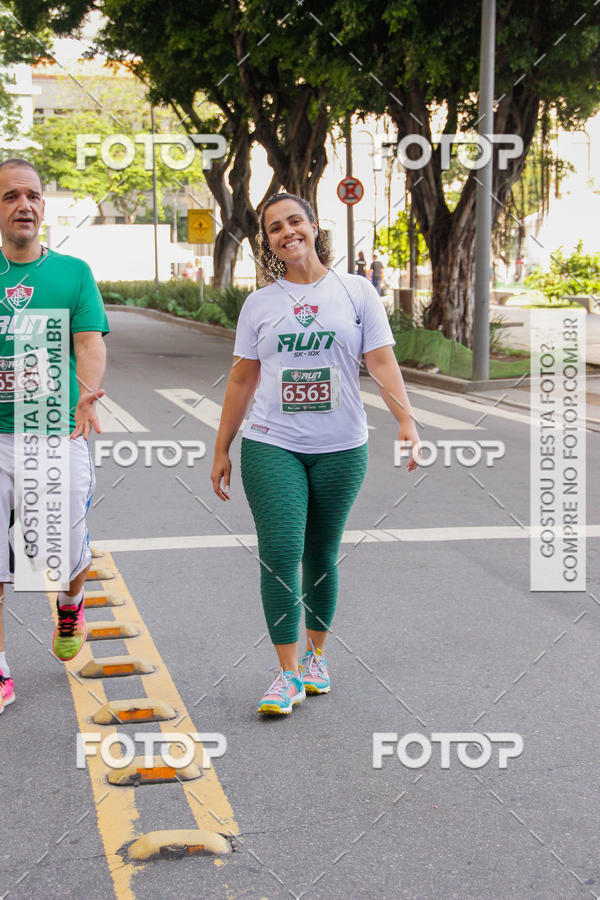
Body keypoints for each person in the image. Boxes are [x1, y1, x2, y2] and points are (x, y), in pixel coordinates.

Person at [210, 192, 419, 716]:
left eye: (294, 221)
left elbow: (381, 361)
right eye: (275, 227)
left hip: (342, 448)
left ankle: (315, 659)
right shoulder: (260, 303)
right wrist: (222, 447)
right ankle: (286, 674)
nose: (286, 232)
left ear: (313, 225)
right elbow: (241, 379)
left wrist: (406, 420)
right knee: (281, 555)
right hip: (271, 443)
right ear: (269, 241)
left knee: (320, 555)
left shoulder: (356, 292)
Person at [0, 158, 109, 714]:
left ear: (44, 206)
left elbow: (88, 342)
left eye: (33, 196)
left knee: (56, 554)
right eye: (11, 196)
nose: (25, 205)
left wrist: (88, 389)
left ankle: (71, 602)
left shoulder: (72, 273)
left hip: (54, 431)